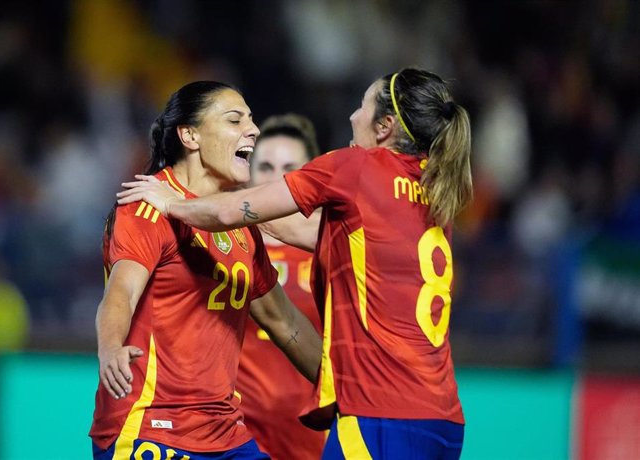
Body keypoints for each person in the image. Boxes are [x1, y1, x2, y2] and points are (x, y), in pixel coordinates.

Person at [118, 67, 472, 459]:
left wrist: (174, 202)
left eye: (362, 107)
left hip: (380, 411)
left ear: (385, 125)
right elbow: (307, 232)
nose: (353, 117)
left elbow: (233, 213)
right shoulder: (434, 194)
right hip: (443, 418)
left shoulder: (357, 168)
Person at [89, 81, 322, 460]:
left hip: (226, 436)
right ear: (190, 135)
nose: (254, 130)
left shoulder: (238, 225)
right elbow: (121, 292)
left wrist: (345, 391)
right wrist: (111, 346)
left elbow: (285, 323)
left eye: (251, 119)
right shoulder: (146, 206)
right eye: (235, 120)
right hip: (152, 429)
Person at [237, 114, 325, 459]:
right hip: (236, 431)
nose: (276, 179)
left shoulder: (334, 246)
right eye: (265, 166)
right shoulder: (225, 244)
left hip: (313, 429)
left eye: (289, 167)